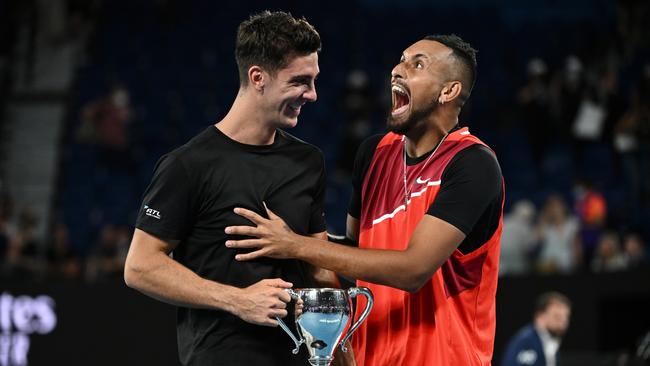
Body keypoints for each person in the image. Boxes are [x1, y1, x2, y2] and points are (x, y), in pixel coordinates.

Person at [226, 34, 505, 365]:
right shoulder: (374, 153)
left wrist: (295, 244)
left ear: (449, 91)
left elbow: (413, 269)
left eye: (417, 64)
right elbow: (354, 255)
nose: (397, 70)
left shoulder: (472, 162)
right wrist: (297, 236)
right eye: (400, 59)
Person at [124, 11, 345, 366]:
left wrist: (341, 354)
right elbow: (140, 267)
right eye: (301, 82)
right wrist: (237, 299)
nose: (313, 95)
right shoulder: (188, 165)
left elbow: (317, 265)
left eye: (314, 81)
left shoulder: (308, 161)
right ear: (258, 77)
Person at [500, 292, 572, 366]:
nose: (563, 322)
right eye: (557, 316)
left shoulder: (551, 344)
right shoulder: (526, 341)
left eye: (566, 317)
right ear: (540, 316)